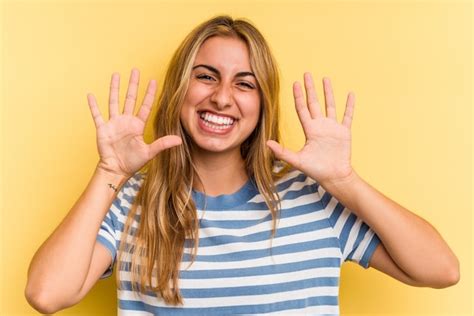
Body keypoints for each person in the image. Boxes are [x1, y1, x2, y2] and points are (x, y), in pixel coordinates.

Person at [25, 15, 459, 315]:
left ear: (262, 103)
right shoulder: (132, 201)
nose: (222, 97)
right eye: (206, 75)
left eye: (244, 83)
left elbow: (441, 270)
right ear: (180, 90)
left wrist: (344, 180)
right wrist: (110, 174)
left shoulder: (316, 200)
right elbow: (46, 294)